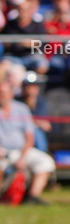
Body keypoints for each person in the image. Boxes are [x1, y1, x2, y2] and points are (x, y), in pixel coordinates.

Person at [0, 76, 55, 205]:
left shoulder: (21, 109)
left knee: (45, 161)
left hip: (20, 151)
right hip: (2, 152)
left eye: (3, 92)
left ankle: (32, 197)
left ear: (11, 94)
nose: (1, 95)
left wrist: (22, 158)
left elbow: (30, 138)